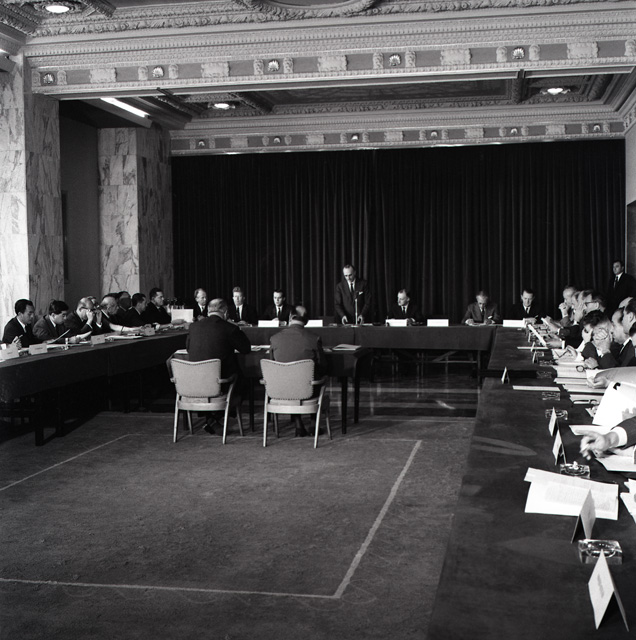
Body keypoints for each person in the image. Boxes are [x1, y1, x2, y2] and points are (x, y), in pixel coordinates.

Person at [186, 298, 251, 434]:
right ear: (225, 312)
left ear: (208, 311)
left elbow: (188, 348)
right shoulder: (229, 328)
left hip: (194, 382)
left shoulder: (194, 327)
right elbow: (246, 349)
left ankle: (211, 418)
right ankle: (217, 417)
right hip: (219, 381)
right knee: (243, 382)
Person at [269, 307, 327, 437]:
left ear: (290, 317)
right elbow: (323, 366)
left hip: (281, 390)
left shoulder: (274, 339)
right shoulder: (314, 339)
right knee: (314, 377)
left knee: (290, 378)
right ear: (306, 321)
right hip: (308, 391)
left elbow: (272, 364)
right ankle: (313, 424)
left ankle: (298, 425)